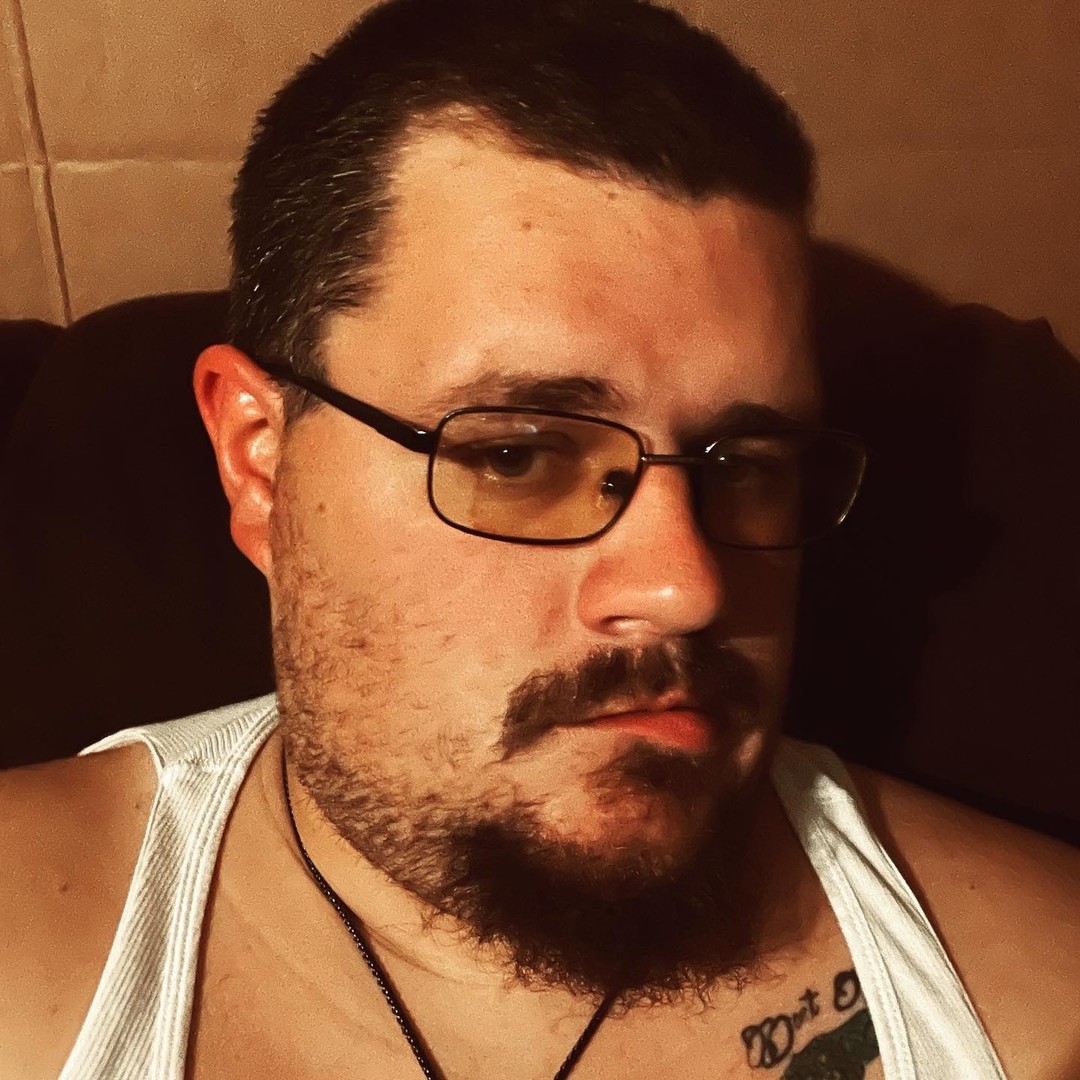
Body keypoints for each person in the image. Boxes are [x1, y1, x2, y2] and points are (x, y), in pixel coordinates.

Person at [2, 1, 1077, 1077]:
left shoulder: (1038, 1008)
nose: (688, 588)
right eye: (519, 455)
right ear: (261, 462)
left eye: (745, 466)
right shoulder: (28, 960)